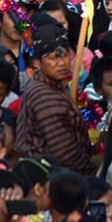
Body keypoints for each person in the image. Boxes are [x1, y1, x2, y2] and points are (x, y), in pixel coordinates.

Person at [16, 24, 93, 174]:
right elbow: (65, 154)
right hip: (53, 178)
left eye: (64, 55)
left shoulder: (50, 85)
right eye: (53, 58)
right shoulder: (45, 96)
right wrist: (91, 172)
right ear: (38, 63)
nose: (62, 63)